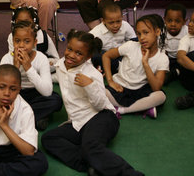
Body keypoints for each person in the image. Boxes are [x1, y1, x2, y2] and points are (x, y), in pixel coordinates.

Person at [41, 30, 142, 175]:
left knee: (90, 146)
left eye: (79, 53)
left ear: (88, 57)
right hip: (77, 123)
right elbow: (55, 72)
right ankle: (90, 167)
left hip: (102, 117)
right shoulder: (60, 66)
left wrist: (89, 86)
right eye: (69, 49)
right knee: (49, 139)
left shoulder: (92, 74)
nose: (71, 55)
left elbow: (100, 105)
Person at [102, 15, 169, 119]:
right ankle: (143, 108)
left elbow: (156, 87)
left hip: (140, 90)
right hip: (120, 88)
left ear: (157, 32)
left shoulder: (162, 58)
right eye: (139, 33)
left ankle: (121, 110)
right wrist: (110, 81)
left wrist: (145, 64)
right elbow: (106, 55)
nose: (142, 37)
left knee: (160, 96)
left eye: (146, 32)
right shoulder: (130, 46)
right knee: (99, 91)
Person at [0, 21, 62, 130]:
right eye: (17, 41)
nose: (21, 45)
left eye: (27, 41)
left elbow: (47, 91)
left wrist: (28, 67)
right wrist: (15, 68)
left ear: (35, 43)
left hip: (35, 93)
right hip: (15, 94)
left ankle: (17, 118)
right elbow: (4, 88)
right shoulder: (7, 58)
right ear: (12, 41)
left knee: (55, 100)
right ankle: (37, 117)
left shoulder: (41, 58)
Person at [6, 6, 59, 70]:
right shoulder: (12, 36)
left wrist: (41, 64)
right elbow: (11, 57)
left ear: (34, 22)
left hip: (41, 68)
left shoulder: (43, 36)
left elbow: (56, 60)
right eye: (20, 22)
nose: (23, 26)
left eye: (27, 22)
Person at [89, 3, 136, 73]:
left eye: (118, 21)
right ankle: (120, 69)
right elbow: (88, 52)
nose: (115, 25)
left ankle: (119, 68)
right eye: (111, 23)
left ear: (122, 18)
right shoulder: (95, 33)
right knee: (96, 56)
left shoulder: (125, 25)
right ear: (103, 21)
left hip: (121, 54)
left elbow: (134, 41)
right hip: (106, 58)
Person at [163, 3, 188, 83]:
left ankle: (177, 71)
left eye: (177, 21)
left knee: (189, 64)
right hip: (167, 58)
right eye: (169, 21)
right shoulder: (161, 31)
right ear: (164, 20)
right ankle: (174, 72)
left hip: (182, 58)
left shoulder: (187, 31)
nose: (173, 24)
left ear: (184, 22)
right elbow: (161, 49)